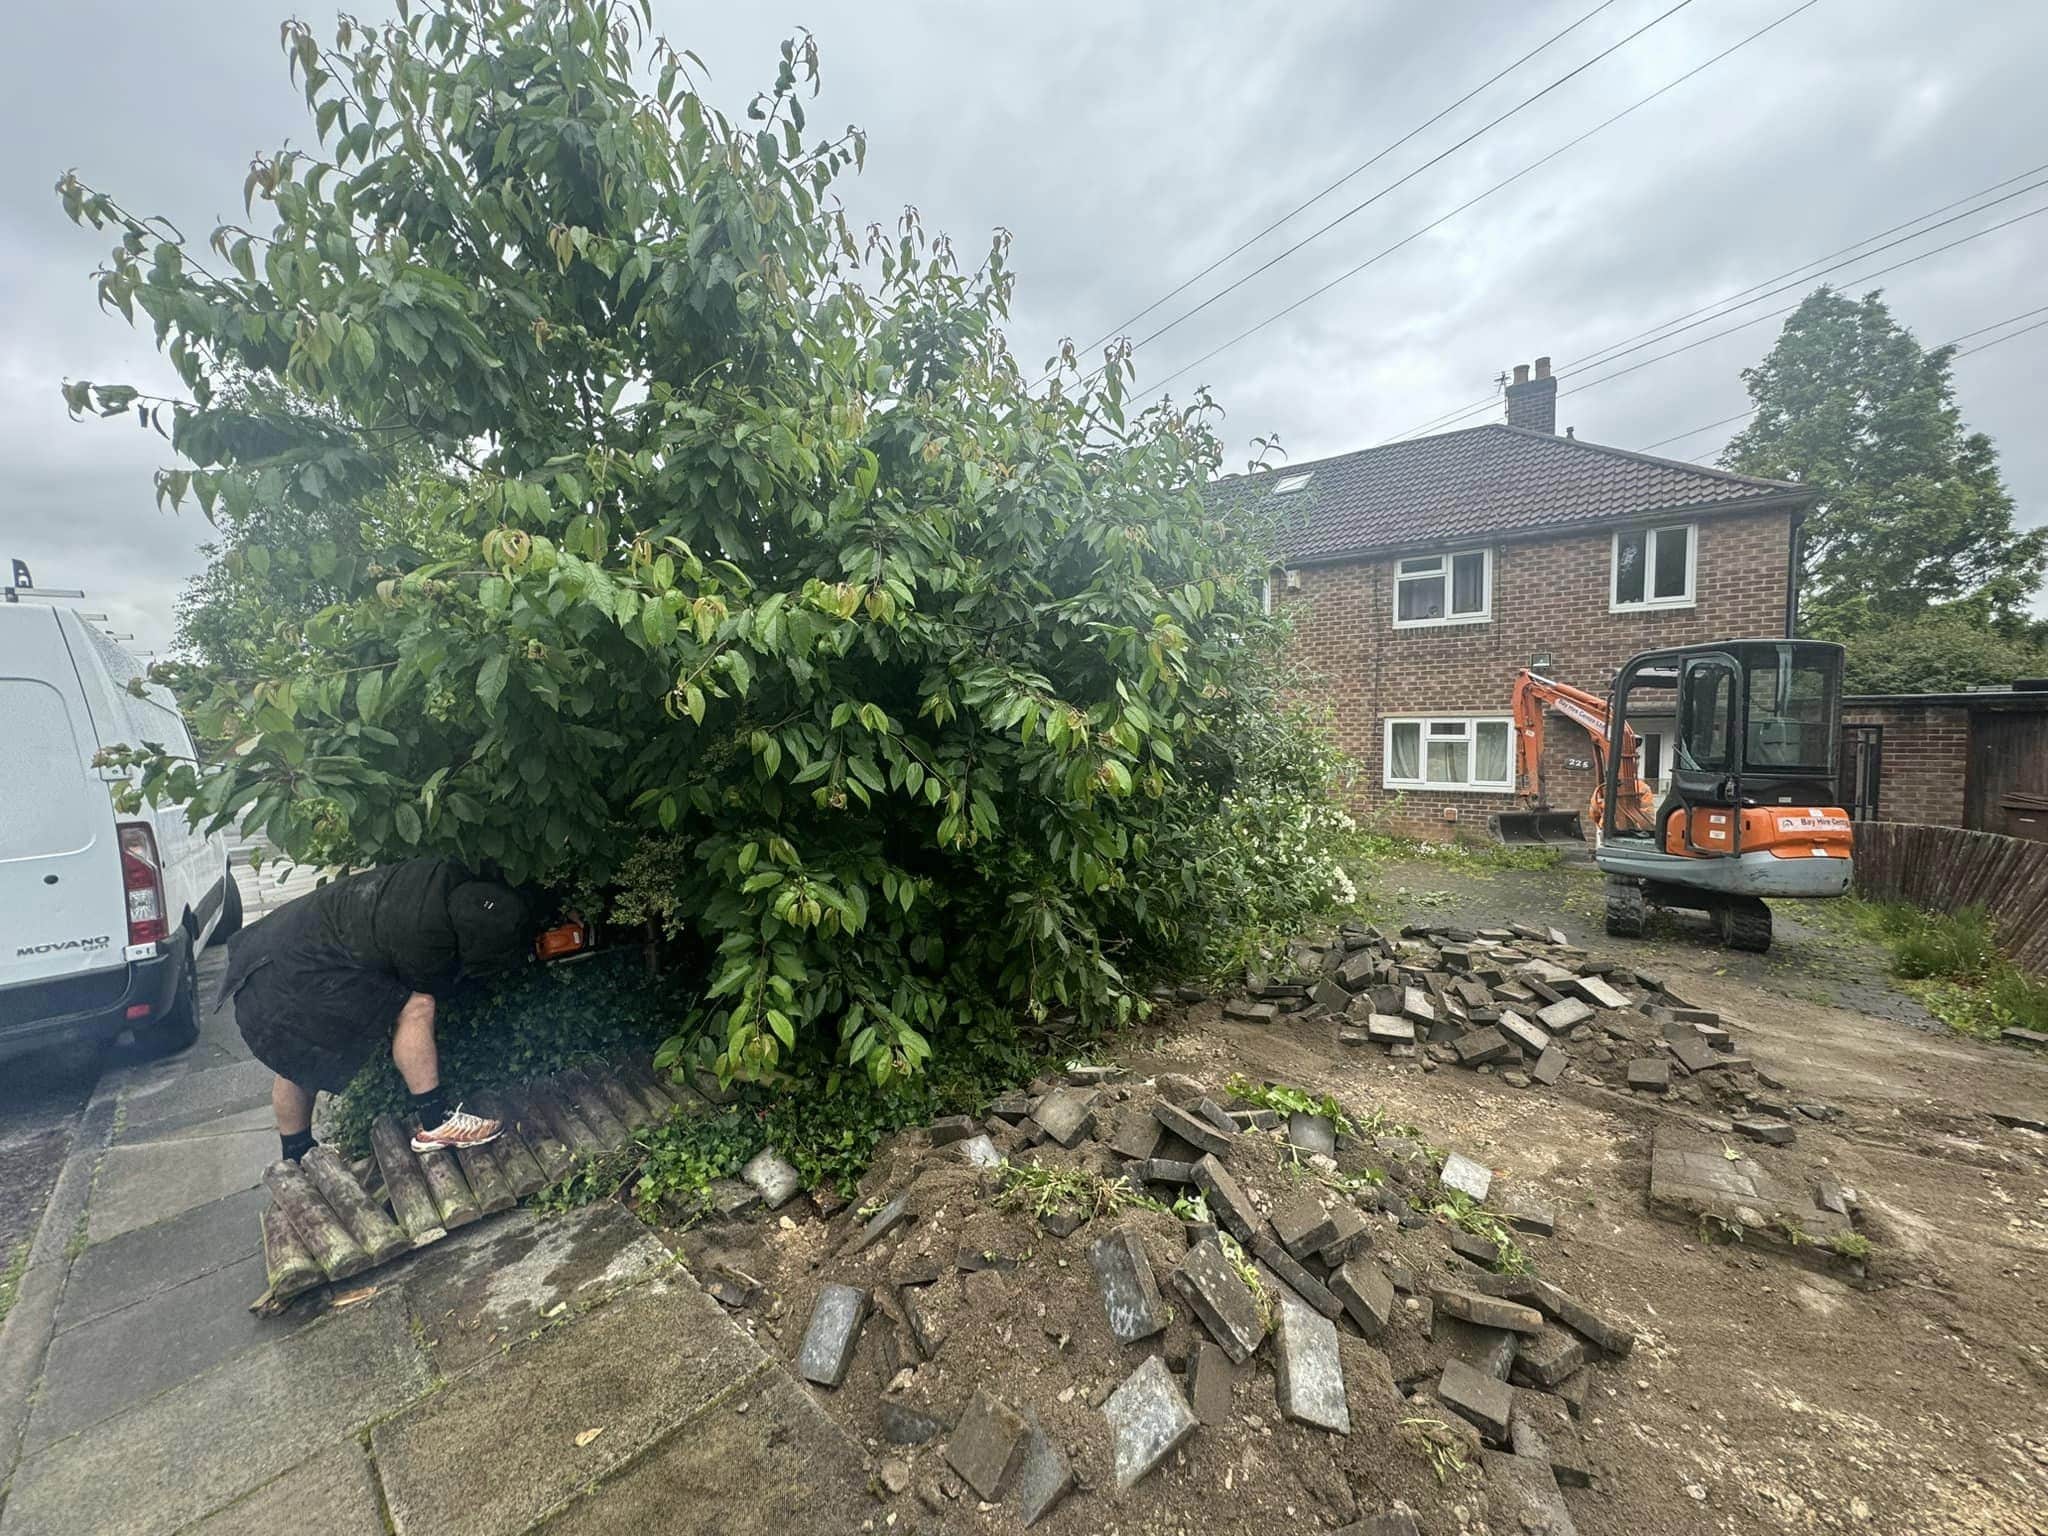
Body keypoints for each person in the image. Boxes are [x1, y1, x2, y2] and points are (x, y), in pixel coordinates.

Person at [217, 856, 532, 1159]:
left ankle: (297, 1155)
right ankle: (436, 1122)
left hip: (279, 946)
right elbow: (437, 986)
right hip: (300, 965)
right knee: (417, 1006)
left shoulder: (446, 876)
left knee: (296, 1054)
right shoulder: (425, 936)